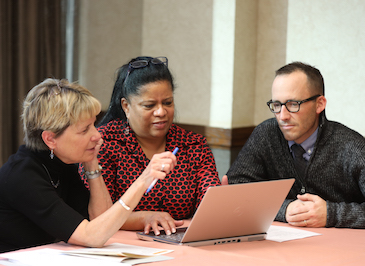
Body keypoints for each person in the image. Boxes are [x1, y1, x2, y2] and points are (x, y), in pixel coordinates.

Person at [0, 79, 177, 253]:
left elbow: (102, 222)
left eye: (94, 124)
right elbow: (91, 237)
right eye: (85, 130)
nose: (97, 136)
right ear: (50, 139)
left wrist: (91, 161)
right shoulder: (22, 175)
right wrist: (142, 181)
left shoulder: (62, 163)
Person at [224, 62, 365, 229]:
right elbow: (236, 188)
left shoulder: (352, 147)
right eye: (277, 105)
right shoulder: (266, 135)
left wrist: (331, 214)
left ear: (319, 104)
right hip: (280, 246)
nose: (282, 116)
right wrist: (284, 209)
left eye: (293, 104)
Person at [91, 56, 221, 236]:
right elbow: (98, 215)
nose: (161, 112)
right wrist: (144, 218)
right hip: (118, 246)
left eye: (167, 103)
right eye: (149, 105)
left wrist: (219, 203)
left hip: (180, 244)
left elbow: (207, 203)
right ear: (126, 106)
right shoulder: (104, 144)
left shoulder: (193, 145)